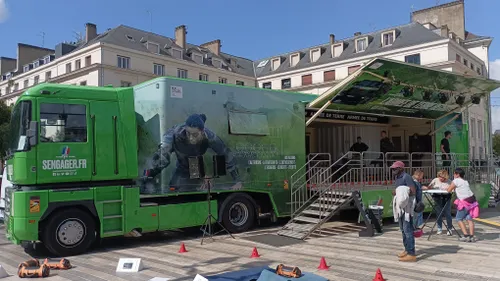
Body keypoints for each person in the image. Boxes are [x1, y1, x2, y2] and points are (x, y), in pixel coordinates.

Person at [145, 113, 242, 192]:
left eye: (195, 134)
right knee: (174, 189)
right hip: (182, 167)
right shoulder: (174, 134)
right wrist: (148, 176)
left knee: (201, 191)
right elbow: (162, 157)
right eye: (188, 133)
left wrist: (238, 181)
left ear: (202, 131)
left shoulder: (210, 137)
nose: (191, 138)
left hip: (198, 167)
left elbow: (226, 155)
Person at [391, 161, 417, 262]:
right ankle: (407, 249)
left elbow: (412, 191)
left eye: (395, 168)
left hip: (407, 207)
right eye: (393, 169)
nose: (393, 170)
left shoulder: (407, 177)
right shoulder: (398, 178)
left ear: (401, 168)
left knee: (408, 230)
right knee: (402, 230)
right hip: (401, 207)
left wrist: (401, 192)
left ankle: (411, 253)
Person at [447, 168, 479, 242]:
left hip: (464, 202)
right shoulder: (465, 181)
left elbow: (448, 190)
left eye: (454, 173)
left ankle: (465, 235)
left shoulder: (456, 180)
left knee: (459, 218)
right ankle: (471, 236)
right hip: (472, 201)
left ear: (457, 174)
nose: (453, 175)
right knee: (469, 219)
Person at [427, 169, 453, 235]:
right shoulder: (435, 180)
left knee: (447, 213)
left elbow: (452, 189)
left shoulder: (449, 181)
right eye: (440, 177)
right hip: (437, 197)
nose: (441, 178)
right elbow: (429, 187)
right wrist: (430, 187)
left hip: (446, 197)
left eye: (443, 177)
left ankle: (449, 228)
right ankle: (439, 228)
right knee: (438, 213)